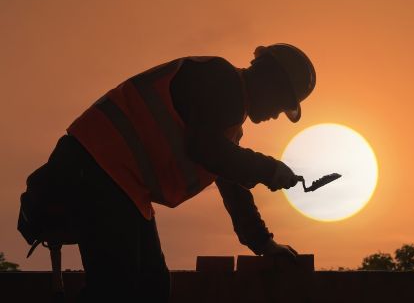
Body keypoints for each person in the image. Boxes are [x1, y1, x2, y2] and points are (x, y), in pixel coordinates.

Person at [38, 43, 316, 302]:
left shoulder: (227, 112)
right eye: (282, 103)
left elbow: (228, 177)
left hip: (118, 180)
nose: (277, 114)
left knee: (152, 287)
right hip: (97, 166)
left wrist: (263, 242)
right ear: (270, 82)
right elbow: (206, 150)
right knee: (117, 290)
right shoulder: (221, 80)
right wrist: (269, 169)